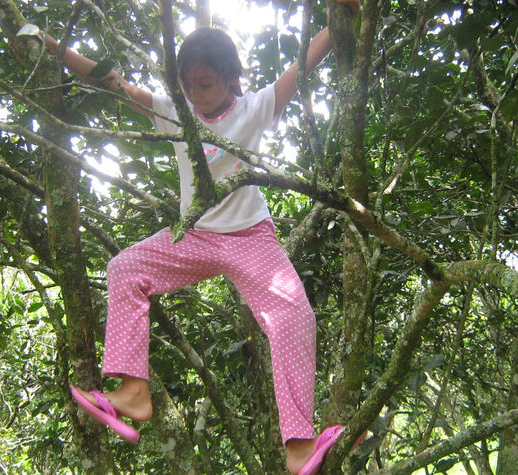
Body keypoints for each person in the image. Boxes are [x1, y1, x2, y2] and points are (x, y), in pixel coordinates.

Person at [43, 1, 361, 473]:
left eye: (205, 84)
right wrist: (52, 48)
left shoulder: (255, 109)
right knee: (124, 267)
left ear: (231, 77)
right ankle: (133, 391)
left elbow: (301, 65)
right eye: (188, 85)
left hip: (251, 236)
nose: (196, 94)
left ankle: (297, 444)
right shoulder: (175, 111)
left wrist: (341, 21)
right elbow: (109, 80)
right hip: (195, 234)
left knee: (296, 318)